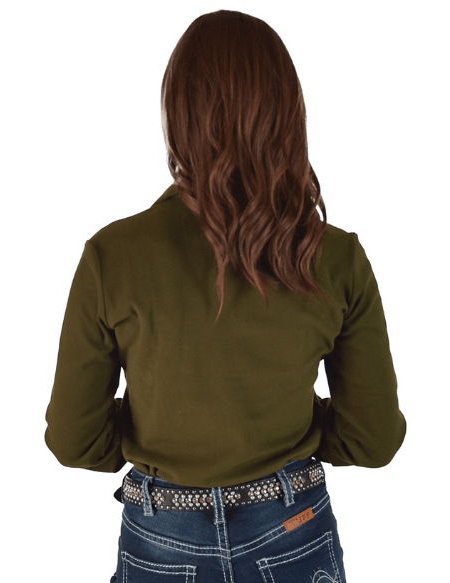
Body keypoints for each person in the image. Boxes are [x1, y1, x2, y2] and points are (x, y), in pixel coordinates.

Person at [44, 9, 406, 582]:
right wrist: (291, 420)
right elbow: (375, 438)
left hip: (161, 535)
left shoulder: (112, 256)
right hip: (293, 525)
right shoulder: (337, 257)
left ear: (178, 113)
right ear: (287, 114)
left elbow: (73, 439)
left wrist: (159, 428)